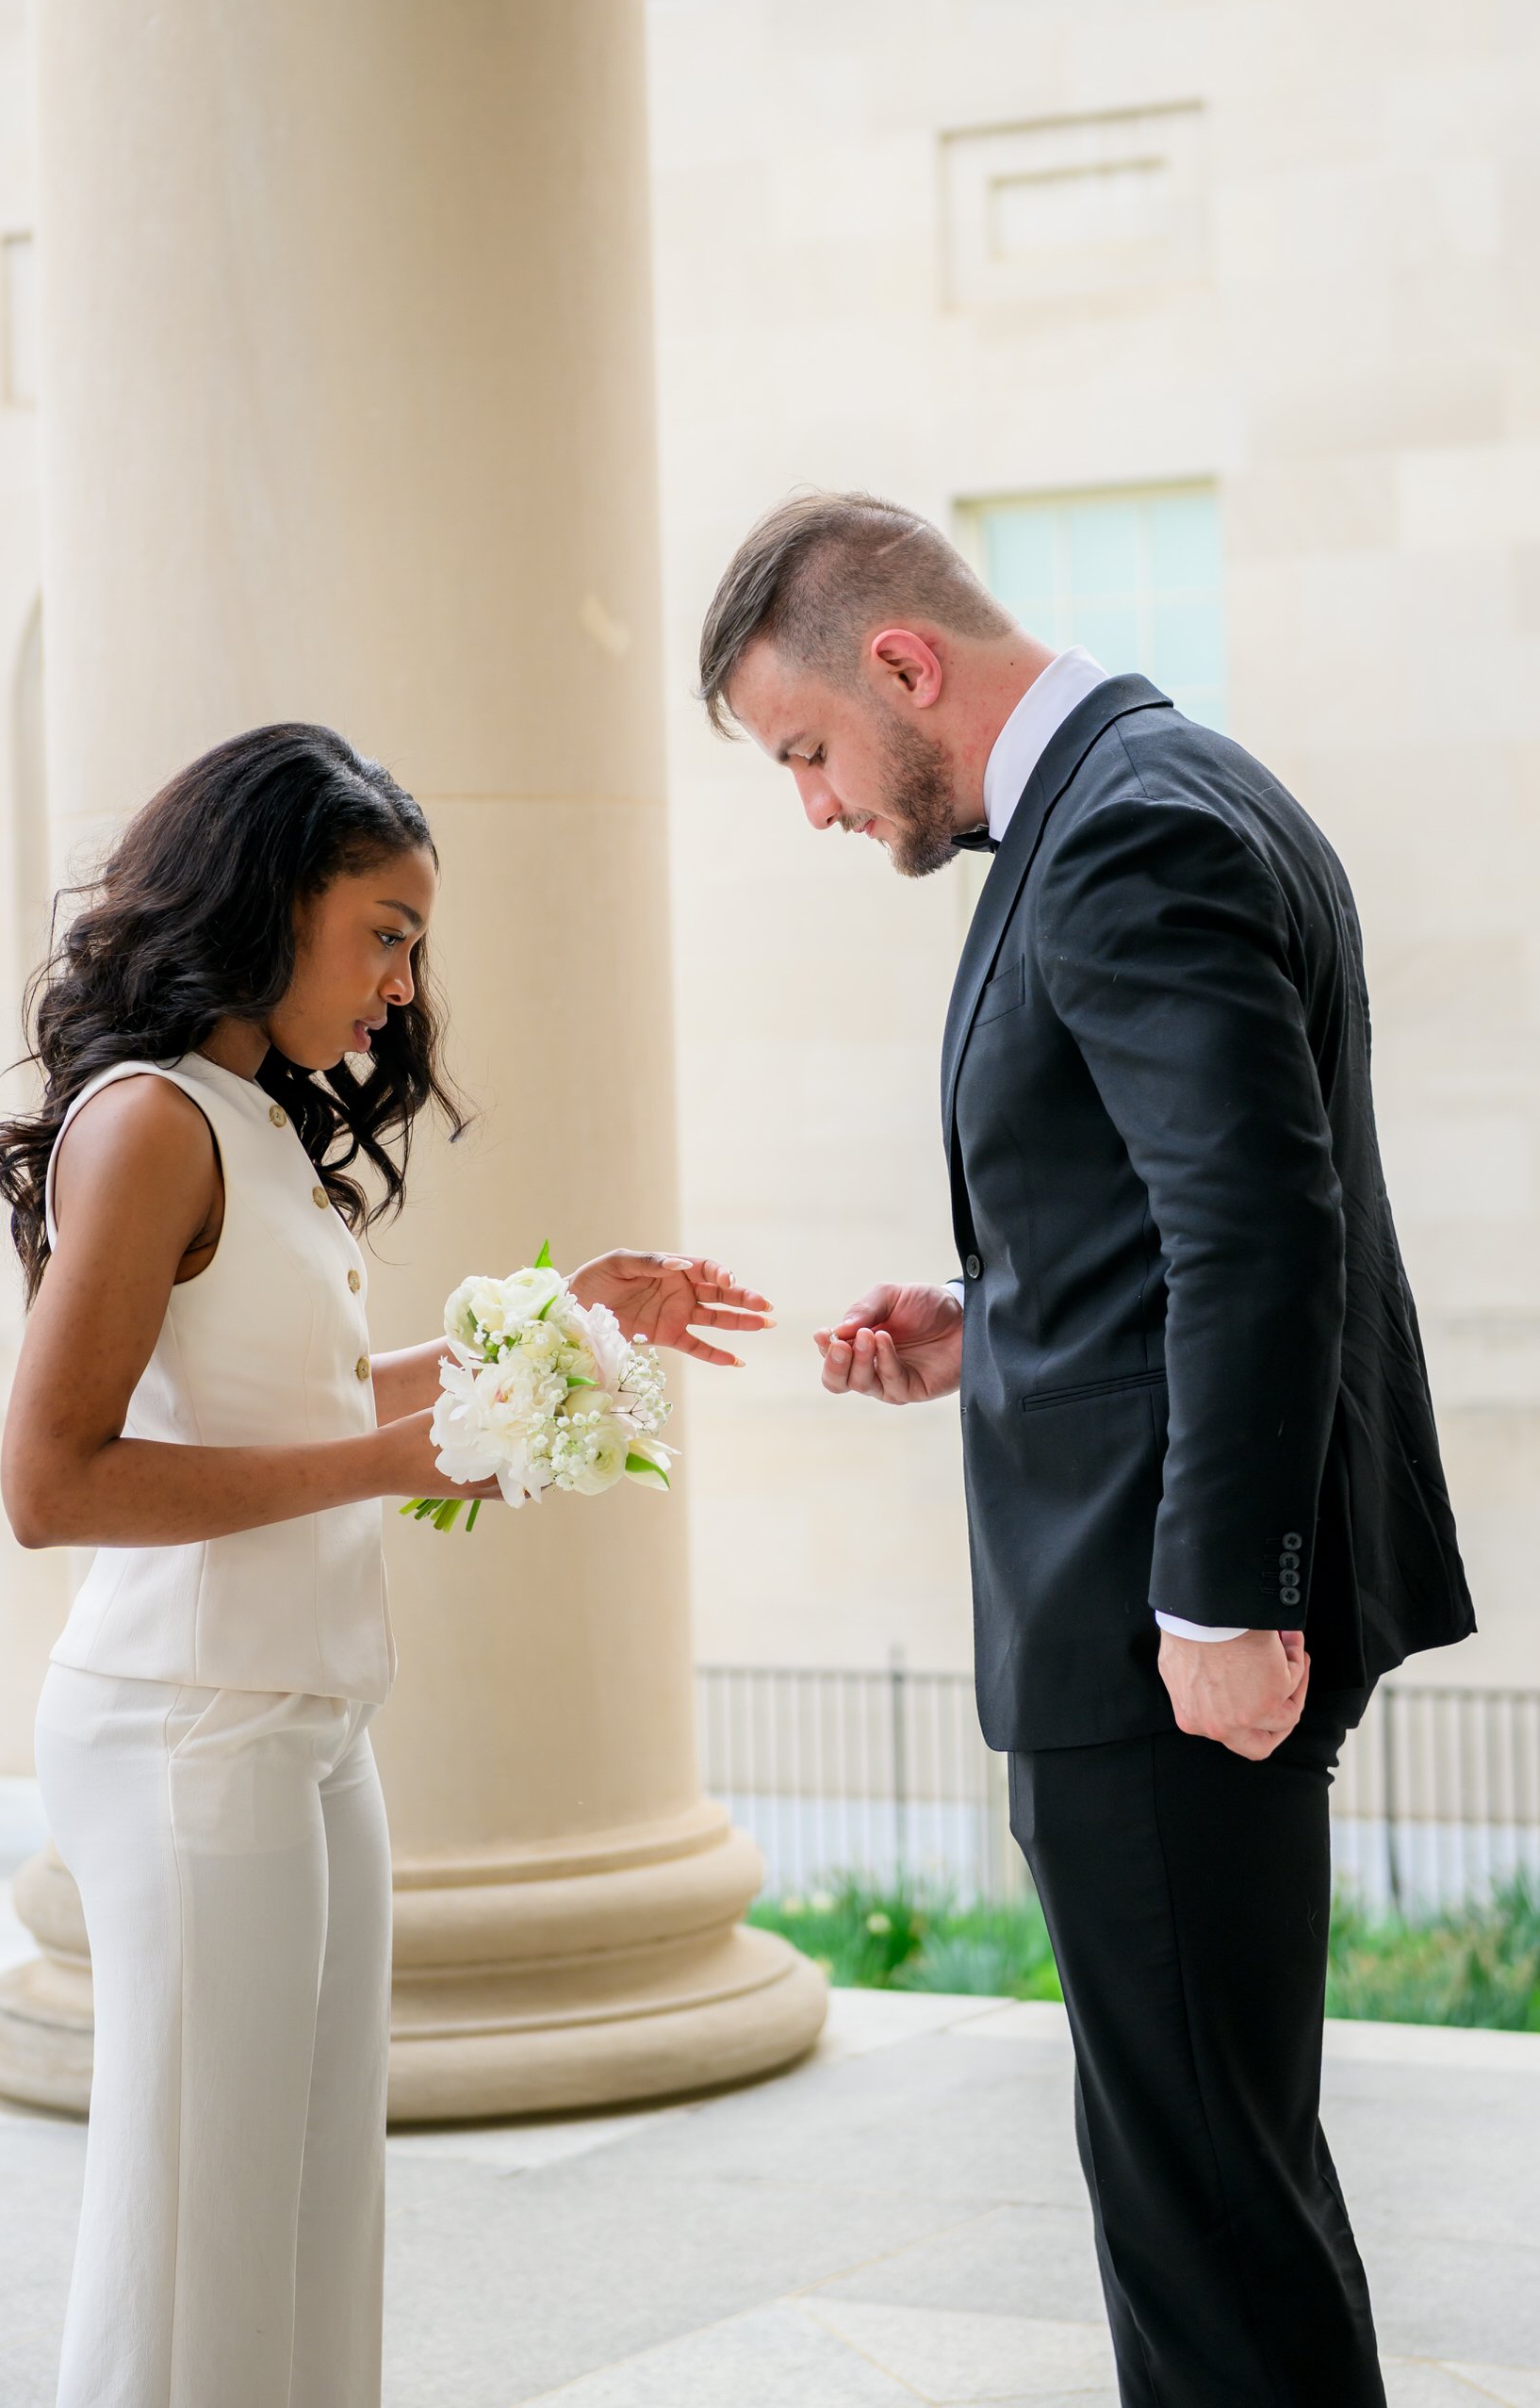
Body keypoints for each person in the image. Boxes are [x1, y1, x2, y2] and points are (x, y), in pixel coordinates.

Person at [697, 492, 1473, 2407]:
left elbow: (1256, 1228)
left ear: (901, 665)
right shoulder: (1159, 789)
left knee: (1203, 2211)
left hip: (1155, 1638)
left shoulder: (1122, 834)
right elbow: (1177, 1214)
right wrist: (994, 1321)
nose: (814, 806)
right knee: (1212, 2186)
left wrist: (1218, 1597)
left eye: (804, 752)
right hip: (1145, 1608)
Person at [0, 721, 771, 2408]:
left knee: (318, 2196)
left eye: (415, 941)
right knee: (200, 2214)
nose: (406, 983)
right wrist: (386, 1464)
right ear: (272, 905)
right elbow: (50, 1482)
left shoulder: (256, 1119)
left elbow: (313, 1393)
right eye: (386, 931)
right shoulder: (148, 1123)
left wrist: (558, 1329)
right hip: (189, 1725)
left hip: (306, 1719)